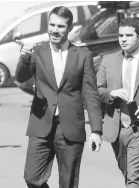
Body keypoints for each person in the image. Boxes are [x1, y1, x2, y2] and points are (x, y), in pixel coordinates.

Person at [16, 6, 103, 188]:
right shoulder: (37, 51)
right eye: (52, 25)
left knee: (68, 182)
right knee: (32, 178)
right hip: (41, 124)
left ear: (70, 29)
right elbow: (21, 77)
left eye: (61, 26)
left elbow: (90, 94)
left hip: (70, 127)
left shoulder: (83, 55)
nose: (55, 30)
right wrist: (23, 60)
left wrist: (96, 130)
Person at [97, 18, 139, 188]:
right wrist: (111, 93)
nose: (123, 39)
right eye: (121, 35)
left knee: (134, 178)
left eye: (129, 35)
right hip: (117, 127)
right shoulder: (108, 60)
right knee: (127, 174)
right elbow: (96, 90)